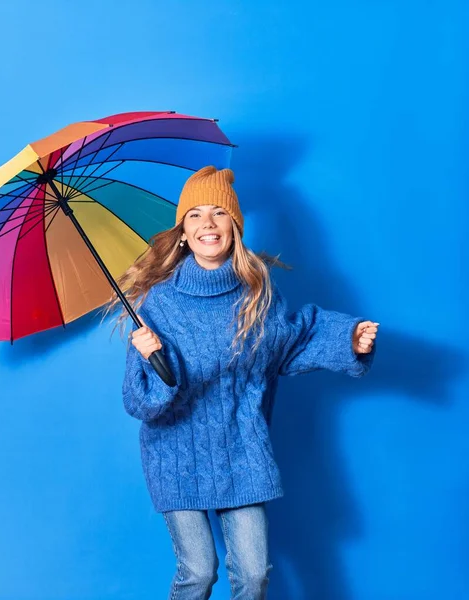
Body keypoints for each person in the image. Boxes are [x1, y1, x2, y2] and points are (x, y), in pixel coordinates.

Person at [103, 165, 379, 600]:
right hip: (176, 456)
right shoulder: (158, 305)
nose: (207, 224)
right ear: (181, 231)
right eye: (195, 214)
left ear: (235, 227)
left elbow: (293, 339)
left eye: (219, 213)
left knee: (253, 577)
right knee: (199, 572)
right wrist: (154, 357)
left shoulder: (257, 294)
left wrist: (349, 340)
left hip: (242, 452)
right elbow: (139, 403)